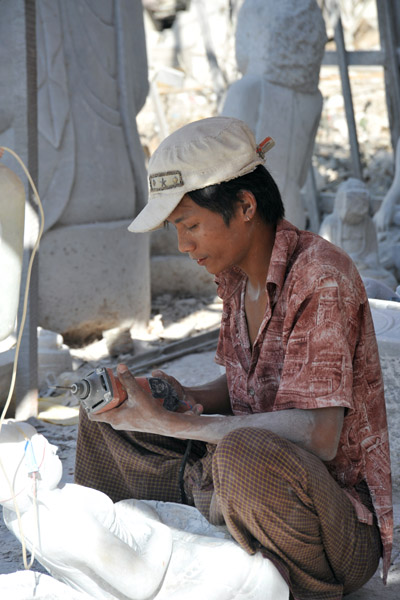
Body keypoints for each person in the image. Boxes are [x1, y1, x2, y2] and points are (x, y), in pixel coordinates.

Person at [75, 116, 393, 600]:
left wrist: (174, 425)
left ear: (245, 205)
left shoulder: (321, 277)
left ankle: (276, 583)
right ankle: (126, 552)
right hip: (243, 483)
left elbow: (321, 435)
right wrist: (176, 398)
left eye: (190, 225)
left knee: (241, 455)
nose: (183, 245)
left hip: (332, 526)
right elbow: (249, 388)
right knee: (104, 412)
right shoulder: (235, 279)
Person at [0, 420, 289, 600]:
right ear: (27, 473)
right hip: (156, 573)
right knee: (251, 568)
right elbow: (140, 583)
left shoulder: (18, 514)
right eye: (41, 448)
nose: (52, 448)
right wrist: (157, 527)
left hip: (135, 551)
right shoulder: (66, 519)